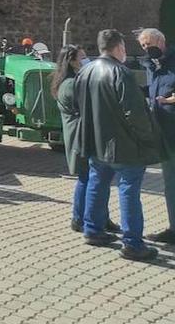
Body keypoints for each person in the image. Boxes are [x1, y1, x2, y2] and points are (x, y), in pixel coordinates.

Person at [76, 28, 163, 261]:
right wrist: (149, 138)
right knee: (129, 191)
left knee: (97, 183)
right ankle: (133, 243)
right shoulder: (120, 72)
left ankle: (92, 230)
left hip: (96, 143)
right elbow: (134, 113)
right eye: (124, 47)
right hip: (124, 146)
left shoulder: (85, 71)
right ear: (119, 48)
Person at [53, 45, 120, 235]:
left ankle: (100, 216)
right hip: (80, 138)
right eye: (82, 57)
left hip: (89, 135)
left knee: (99, 180)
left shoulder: (78, 80)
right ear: (72, 61)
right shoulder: (70, 84)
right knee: (86, 178)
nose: (86, 60)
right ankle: (79, 218)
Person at [138, 28, 175, 244]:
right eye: (142, 46)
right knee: (170, 183)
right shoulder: (150, 65)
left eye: (149, 43)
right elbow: (152, 89)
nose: (146, 48)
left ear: (161, 41)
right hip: (162, 134)